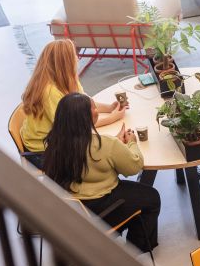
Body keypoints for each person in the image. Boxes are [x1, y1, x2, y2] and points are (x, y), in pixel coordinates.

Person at [43, 93, 160, 253]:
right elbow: (134, 166)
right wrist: (132, 143)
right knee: (151, 198)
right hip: (99, 210)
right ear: (85, 117)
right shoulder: (105, 144)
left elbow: (90, 153)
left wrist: (115, 144)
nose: (97, 110)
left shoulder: (55, 142)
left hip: (72, 209)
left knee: (137, 196)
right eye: (93, 107)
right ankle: (136, 249)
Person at [20, 39, 127, 168]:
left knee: (101, 145)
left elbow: (86, 102)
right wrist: (111, 118)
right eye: (74, 55)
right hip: (43, 151)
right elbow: (74, 126)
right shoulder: (49, 92)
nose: (78, 58)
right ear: (65, 63)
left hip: (59, 139)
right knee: (99, 159)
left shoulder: (69, 80)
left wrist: (109, 108)